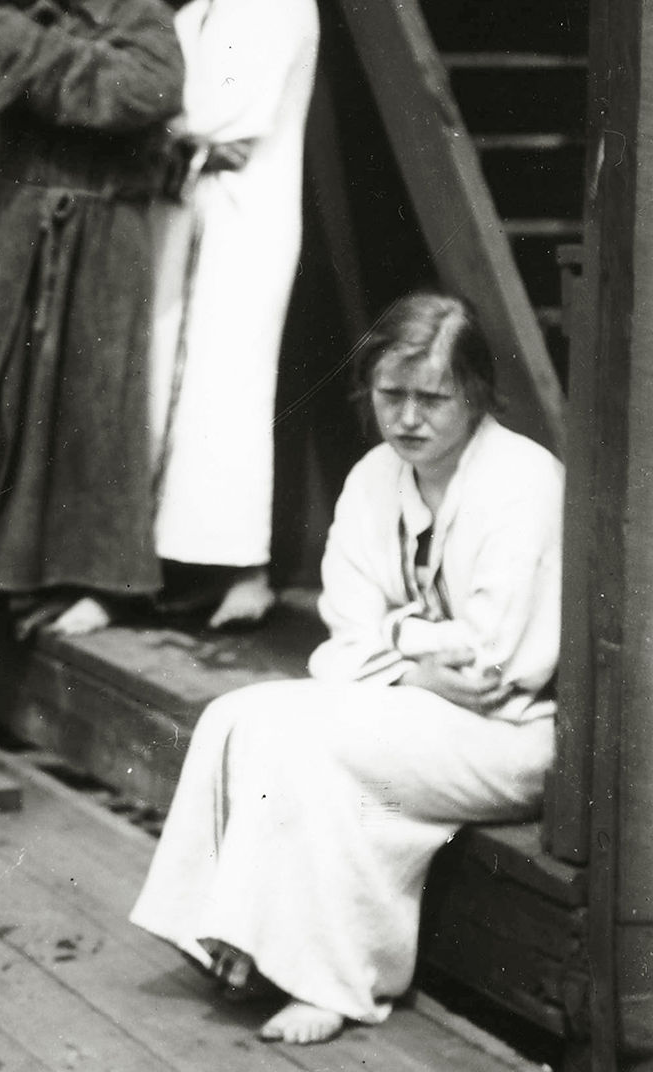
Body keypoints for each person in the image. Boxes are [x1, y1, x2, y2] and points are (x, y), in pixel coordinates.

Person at [129, 292, 561, 1044]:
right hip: (415, 704)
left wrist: (389, 642)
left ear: (475, 394)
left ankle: (335, 980)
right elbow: (344, 629)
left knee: (315, 742)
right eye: (392, 395)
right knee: (236, 714)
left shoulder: (523, 482)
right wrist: (413, 661)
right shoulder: (373, 479)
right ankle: (230, 940)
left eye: (433, 398)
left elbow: (493, 659)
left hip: (508, 733)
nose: (408, 419)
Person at [0, 0, 184, 634]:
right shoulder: (40, 14)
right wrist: (75, 66)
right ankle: (14, 574)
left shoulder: (143, 15)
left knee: (99, 408)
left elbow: (145, 92)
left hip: (106, 235)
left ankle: (106, 584)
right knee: (12, 398)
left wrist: (28, 61)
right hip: (25, 230)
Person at [147, 0, 320, 629]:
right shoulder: (195, 12)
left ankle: (247, 574)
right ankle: (185, 564)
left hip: (249, 217)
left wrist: (158, 131)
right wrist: (166, 130)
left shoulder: (278, 0)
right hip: (186, 210)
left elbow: (230, 132)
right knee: (170, 384)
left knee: (229, 387)